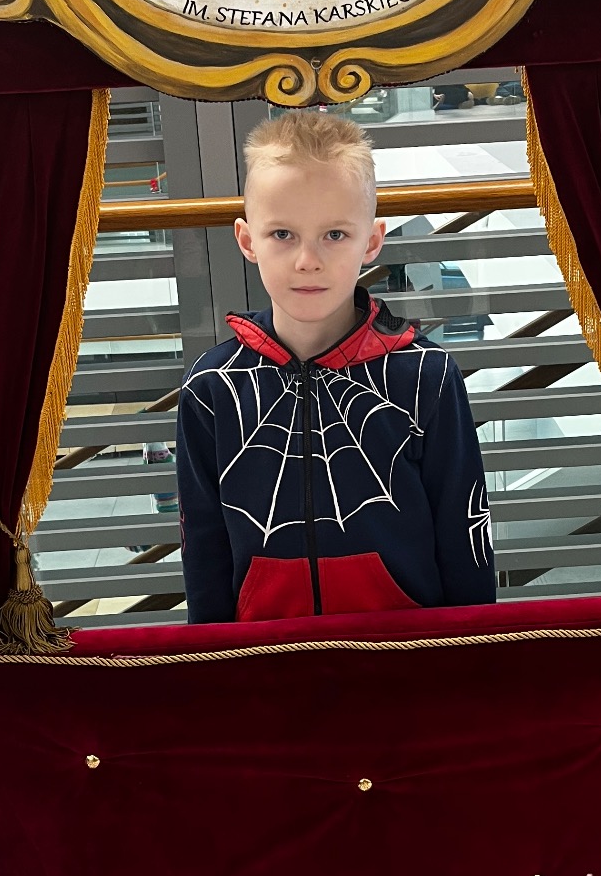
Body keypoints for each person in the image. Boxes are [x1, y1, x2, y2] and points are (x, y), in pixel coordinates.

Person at [174, 109, 497, 623]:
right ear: (247, 240)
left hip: (404, 650)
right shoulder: (212, 387)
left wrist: (472, 651)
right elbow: (203, 551)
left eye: (335, 235)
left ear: (372, 241)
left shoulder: (426, 377)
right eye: (283, 234)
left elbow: (466, 531)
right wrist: (213, 660)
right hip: (263, 654)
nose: (308, 260)